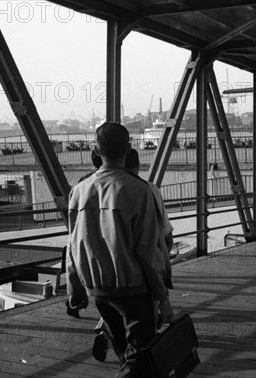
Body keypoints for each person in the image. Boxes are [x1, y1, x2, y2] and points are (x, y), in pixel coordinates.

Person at [66, 122, 173, 376]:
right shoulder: (139, 190)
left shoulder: (79, 191)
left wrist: (75, 288)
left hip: (99, 290)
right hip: (134, 289)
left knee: (124, 352)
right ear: (128, 148)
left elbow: (73, 246)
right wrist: (163, 297)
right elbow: (148, 252)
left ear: (96, 149)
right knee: (141, 355)